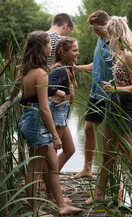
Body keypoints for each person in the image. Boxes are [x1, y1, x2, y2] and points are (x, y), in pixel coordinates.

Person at [13, 31, 83, 216]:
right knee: (35, 169)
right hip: (37, 122)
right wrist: (54, 135)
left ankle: (62, 206)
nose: (51, 47)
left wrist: (9, 97)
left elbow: (14, 90)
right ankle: (33, 210)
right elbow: (45, 108)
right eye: (49, 44)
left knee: (52, 165)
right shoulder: (41, 74)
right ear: (42, 48)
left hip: (29, 118)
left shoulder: (24, 70)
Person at [85, 16, 132, 216]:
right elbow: (121, 83)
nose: (107, 39)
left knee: (129, 158)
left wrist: (115, 89)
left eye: (109, 35)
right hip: (113, 106)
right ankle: (99, 194)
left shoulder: (129, 55)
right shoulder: (118, 53)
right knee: (108, 155)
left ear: (115, 34)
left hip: (126, 109)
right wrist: (111, 88)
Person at [73, 10, 113, 179]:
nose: (95, 32)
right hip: (95, 94)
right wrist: (74, 68)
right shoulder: (99, 41)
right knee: (88, 128)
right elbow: (94, 66)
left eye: (97, 29)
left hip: (112, 96)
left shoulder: (117, 43)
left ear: (106, 25)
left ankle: (111, 175)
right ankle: (87, 168)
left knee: (110, 137)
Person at [42, 37, 79, 202]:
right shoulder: (59, 69)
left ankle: (50, 182)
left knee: (70, 149)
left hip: (62, 113)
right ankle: (51, 192)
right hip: (57, 113)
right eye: (74, 51)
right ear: (63, 51)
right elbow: (47, 86)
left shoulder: (66, 68)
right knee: (52, 155)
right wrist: (61, 94)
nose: (77, 53)